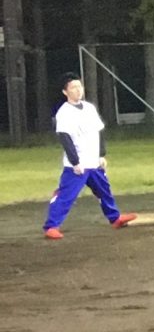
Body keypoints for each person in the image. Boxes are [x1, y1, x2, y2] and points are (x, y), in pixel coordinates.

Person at [42, 76, 137, 241]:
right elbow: (65, 138)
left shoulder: (89, 108)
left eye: (79, 86)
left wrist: (101, 155)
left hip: (93, 162)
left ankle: (115, 218)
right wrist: (75, 162)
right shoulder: (64, 112)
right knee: (66, 195)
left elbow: (98, 132)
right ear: (65, 92)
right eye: (73, 87)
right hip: (77, 165)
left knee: (104, 190)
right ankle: (51, 226)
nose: (78, 90)